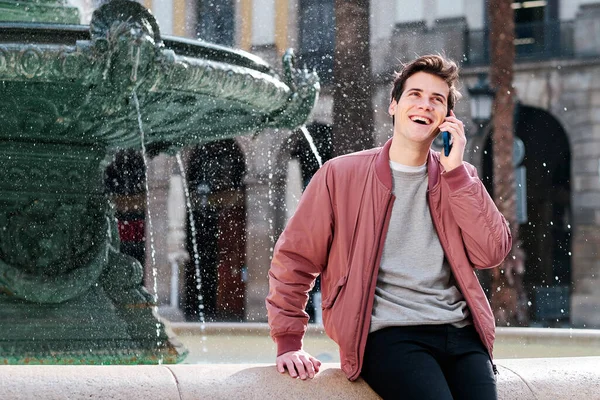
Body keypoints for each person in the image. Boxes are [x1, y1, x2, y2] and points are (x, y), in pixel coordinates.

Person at [266, 54, 511, 400]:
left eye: (436, 100)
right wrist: (288, 341)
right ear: (393, 105)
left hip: (461, 333)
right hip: (389, 334)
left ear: (447, 118)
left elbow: (492, 252)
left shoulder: (459, 178)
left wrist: (456, 173)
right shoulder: (341, 175)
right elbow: (295, 258)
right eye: (415, 95)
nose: (424, 106)